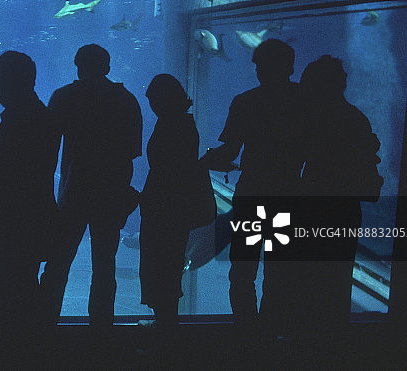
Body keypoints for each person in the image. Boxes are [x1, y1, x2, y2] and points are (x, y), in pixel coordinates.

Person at [199, 39, 308, 340]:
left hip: (252, 196)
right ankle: (270, 335)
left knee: (243, 269)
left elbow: (230, 152)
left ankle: (247, 334)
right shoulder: (305, 100)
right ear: (290, 67)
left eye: (259, 65)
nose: (258, 70)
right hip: (287, 197)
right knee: (279, 271)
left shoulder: (246, 101)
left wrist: (202, 162)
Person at [39, 44, 142, 328]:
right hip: (110, 198)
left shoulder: (64, 97)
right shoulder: (126, 100)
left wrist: (45, 198)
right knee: (105, 268)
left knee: (57, 266)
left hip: (71, 195)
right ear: (107, 67)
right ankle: (101, 333)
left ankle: (42, 330)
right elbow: (130, 156)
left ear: (77, 65)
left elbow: (47, 151)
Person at [0, 51, 60, 360]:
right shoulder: (38, 116)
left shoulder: (24, 119)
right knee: (19, 303)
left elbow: (3, 183)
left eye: (0, 80)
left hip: (10, 234)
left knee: (3, 314)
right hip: (23, 231)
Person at [298, 55, 382, 340]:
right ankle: (332, 343)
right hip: (344, 211)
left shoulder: (311, 120)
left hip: (313, 209)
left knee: (309, 280)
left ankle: (307, 342)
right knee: (337, 280)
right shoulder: (356, 118)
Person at [139, 74, 203, 333]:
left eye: (154, 100)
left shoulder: (172, 124)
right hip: (171, 206)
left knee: (161, 264)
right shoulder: (181, 122)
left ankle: (166, 326)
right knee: (168, 264)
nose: (152, 106)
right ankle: (167, 322)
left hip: (165, 207)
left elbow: (169, 169)